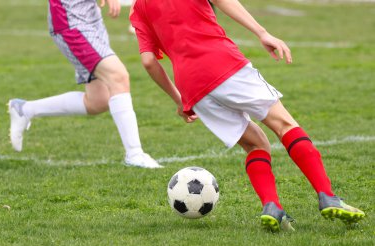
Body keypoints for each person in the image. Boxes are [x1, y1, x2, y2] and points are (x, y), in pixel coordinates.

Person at [129, 0, 365, 231]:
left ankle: (273, 207)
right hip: (222, 62)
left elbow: (149, 62)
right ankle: (328, 196)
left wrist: (179, 99)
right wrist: (262, 33)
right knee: (284, 125)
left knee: (255, 144)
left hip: (191, 85)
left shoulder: (139, 8)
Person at [8, 0, 161, 169]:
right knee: (118, 76)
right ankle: (135, 154)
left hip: (91, 18)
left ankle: (24, 110)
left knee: (98, 100)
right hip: (70, 20)